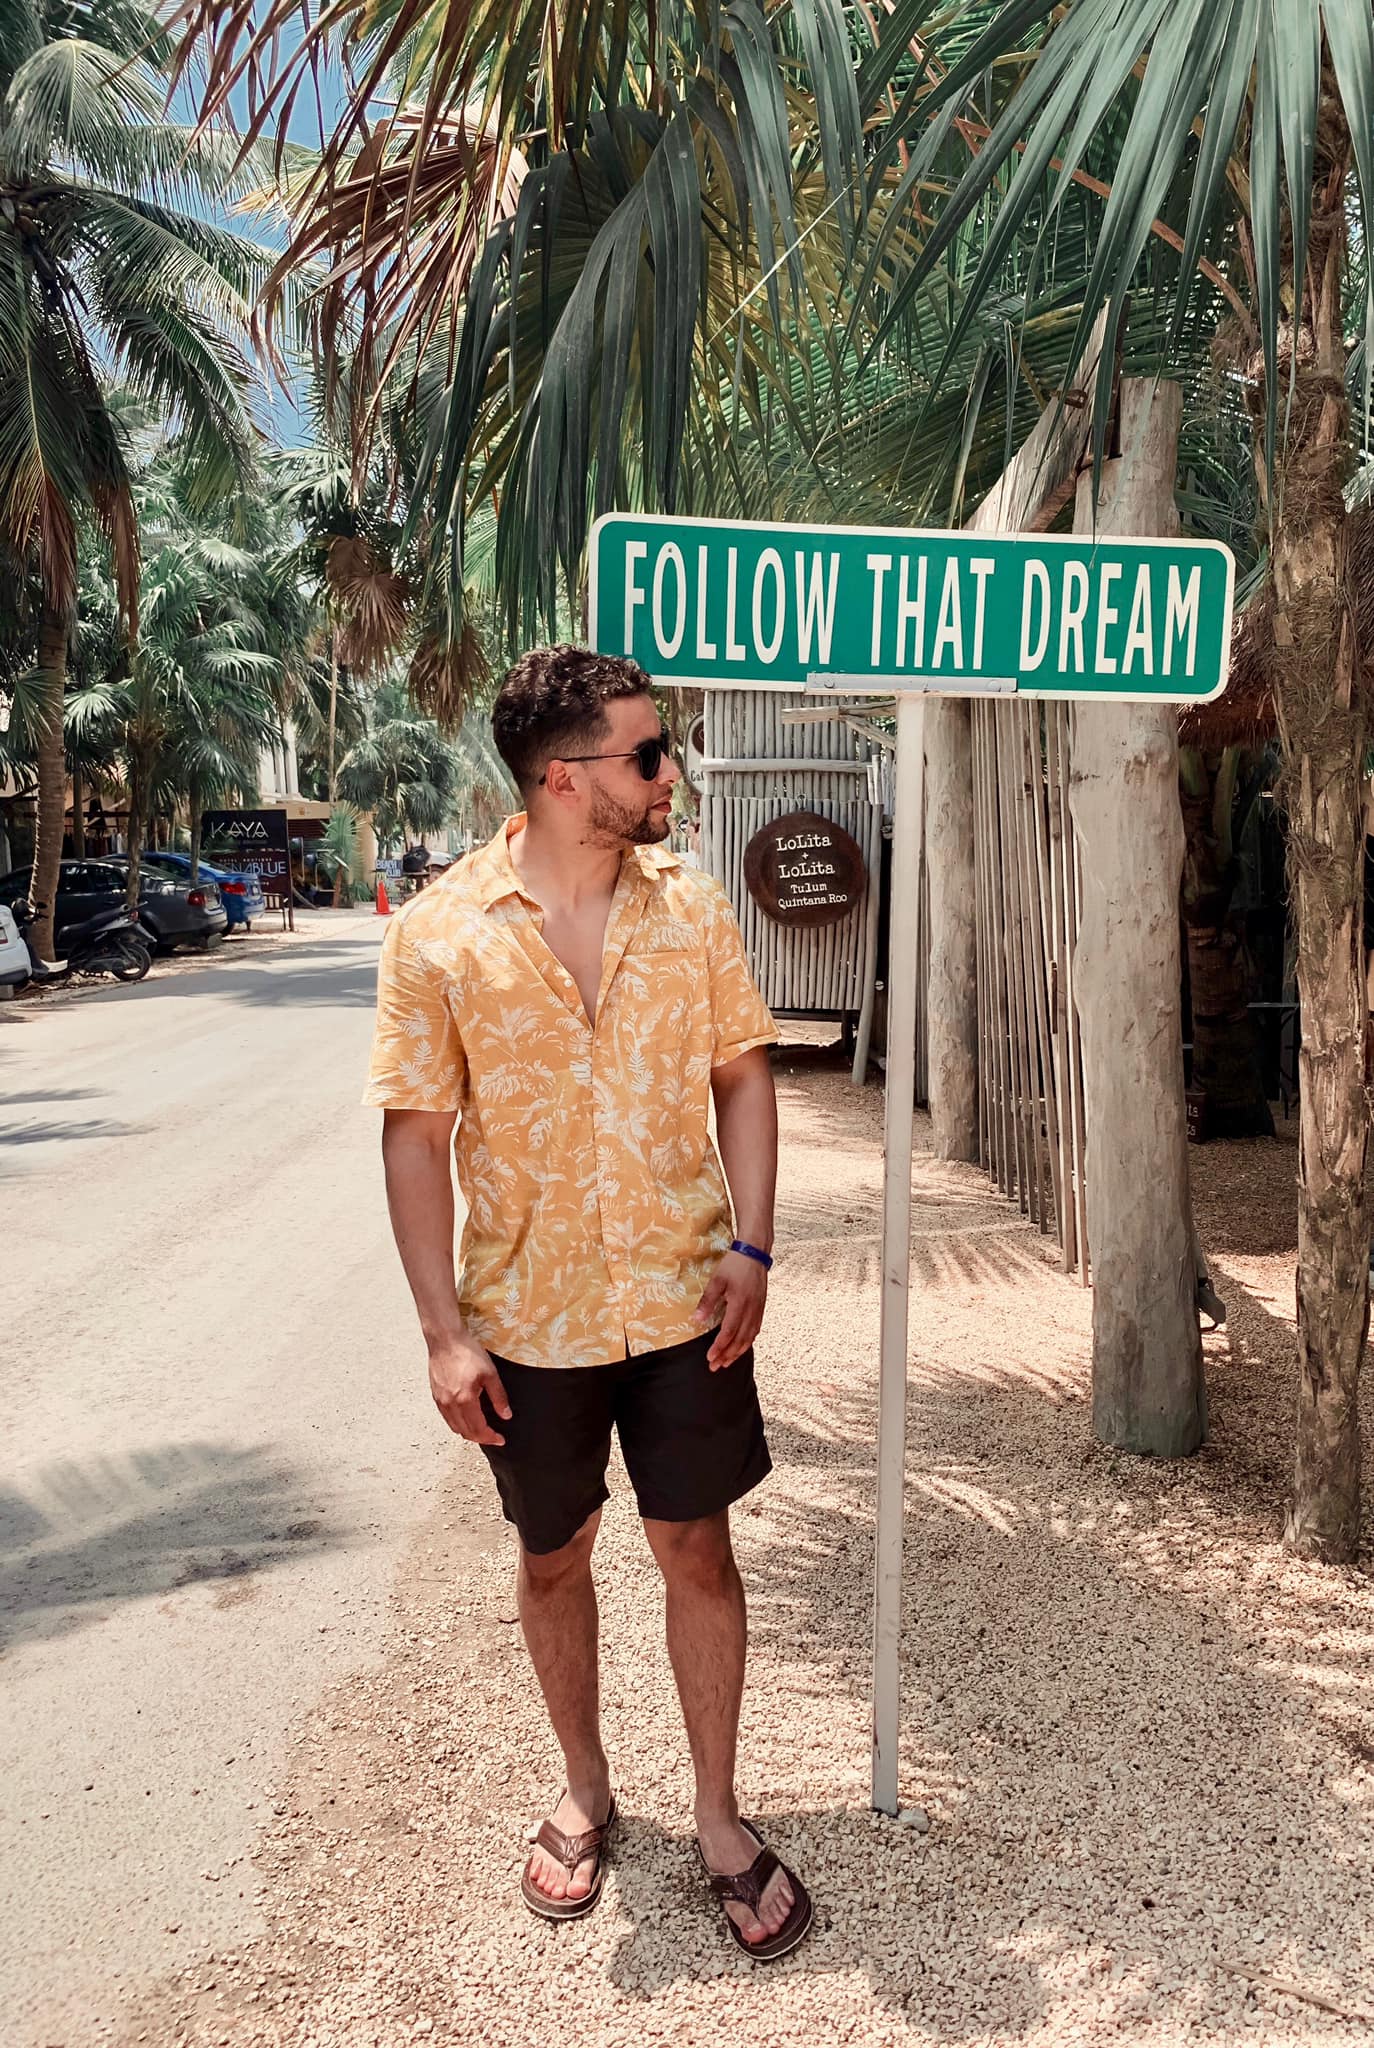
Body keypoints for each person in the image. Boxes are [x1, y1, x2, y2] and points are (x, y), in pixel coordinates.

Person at [364, 645, 812, 1960]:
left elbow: (741, 1075)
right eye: (647, 754)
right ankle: (585, 1786)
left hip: (684, 1303)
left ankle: (720, 1818)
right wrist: (443, 1333)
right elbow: (412, 1138)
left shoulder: (690, 908)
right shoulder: (439, 933)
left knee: (697, 1552)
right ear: (566, 781)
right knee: (551, 1556)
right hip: (529, 1325)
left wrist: (754, 1244)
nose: (669, 773)